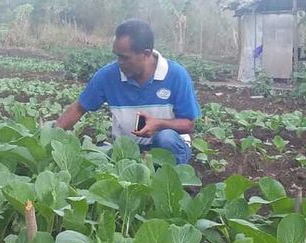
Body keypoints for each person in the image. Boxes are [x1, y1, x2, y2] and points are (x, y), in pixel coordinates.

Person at [56, 19, 201, 164]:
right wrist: (50, 137)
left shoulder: (176, 75)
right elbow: (79, 107)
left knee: (166, 139)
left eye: (125, 57)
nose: (119, 62)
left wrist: (159, 124)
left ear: (146, 54)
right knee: (95, 156)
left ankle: (174, 177)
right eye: (117, 56)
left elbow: (189, 124)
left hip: (167, 148)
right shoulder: (109, 75)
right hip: (128, 149)